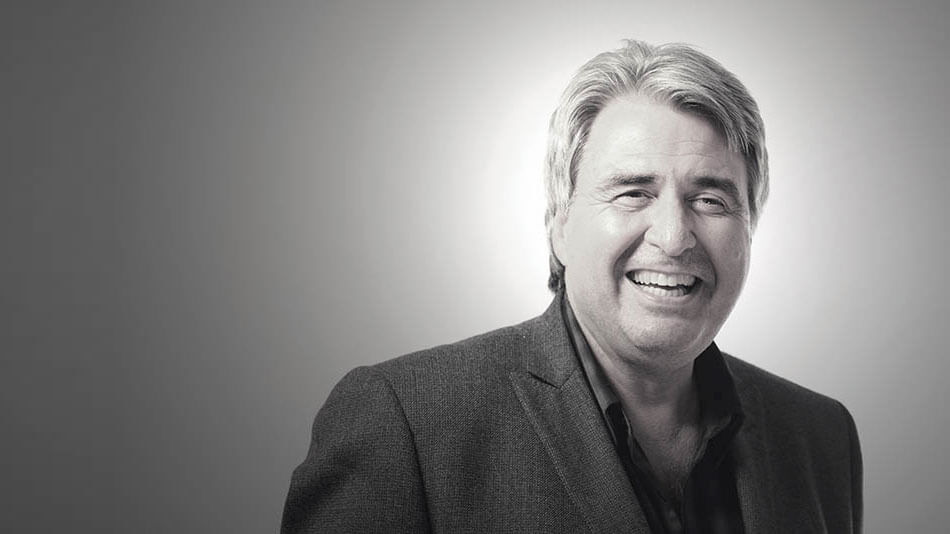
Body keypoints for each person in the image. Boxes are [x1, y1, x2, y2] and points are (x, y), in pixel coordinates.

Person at [281, 40, 862, 533]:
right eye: (633, 192)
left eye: (710, 200)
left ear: (750, 228)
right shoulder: (404, 423)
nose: (673, 236)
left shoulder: (819, 436)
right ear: (558, 225)